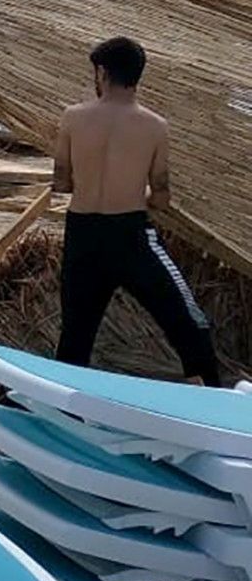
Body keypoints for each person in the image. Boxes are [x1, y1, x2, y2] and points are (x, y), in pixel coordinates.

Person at [54, 35, 219, 386]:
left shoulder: (72, 118)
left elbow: (61, 182)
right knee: (187, 323)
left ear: (101, 72)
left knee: (76, 336)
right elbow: (161, 195)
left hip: (82, 233)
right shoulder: (155, 127)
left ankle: (63, 413)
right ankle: (214, 401)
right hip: (129, 235)